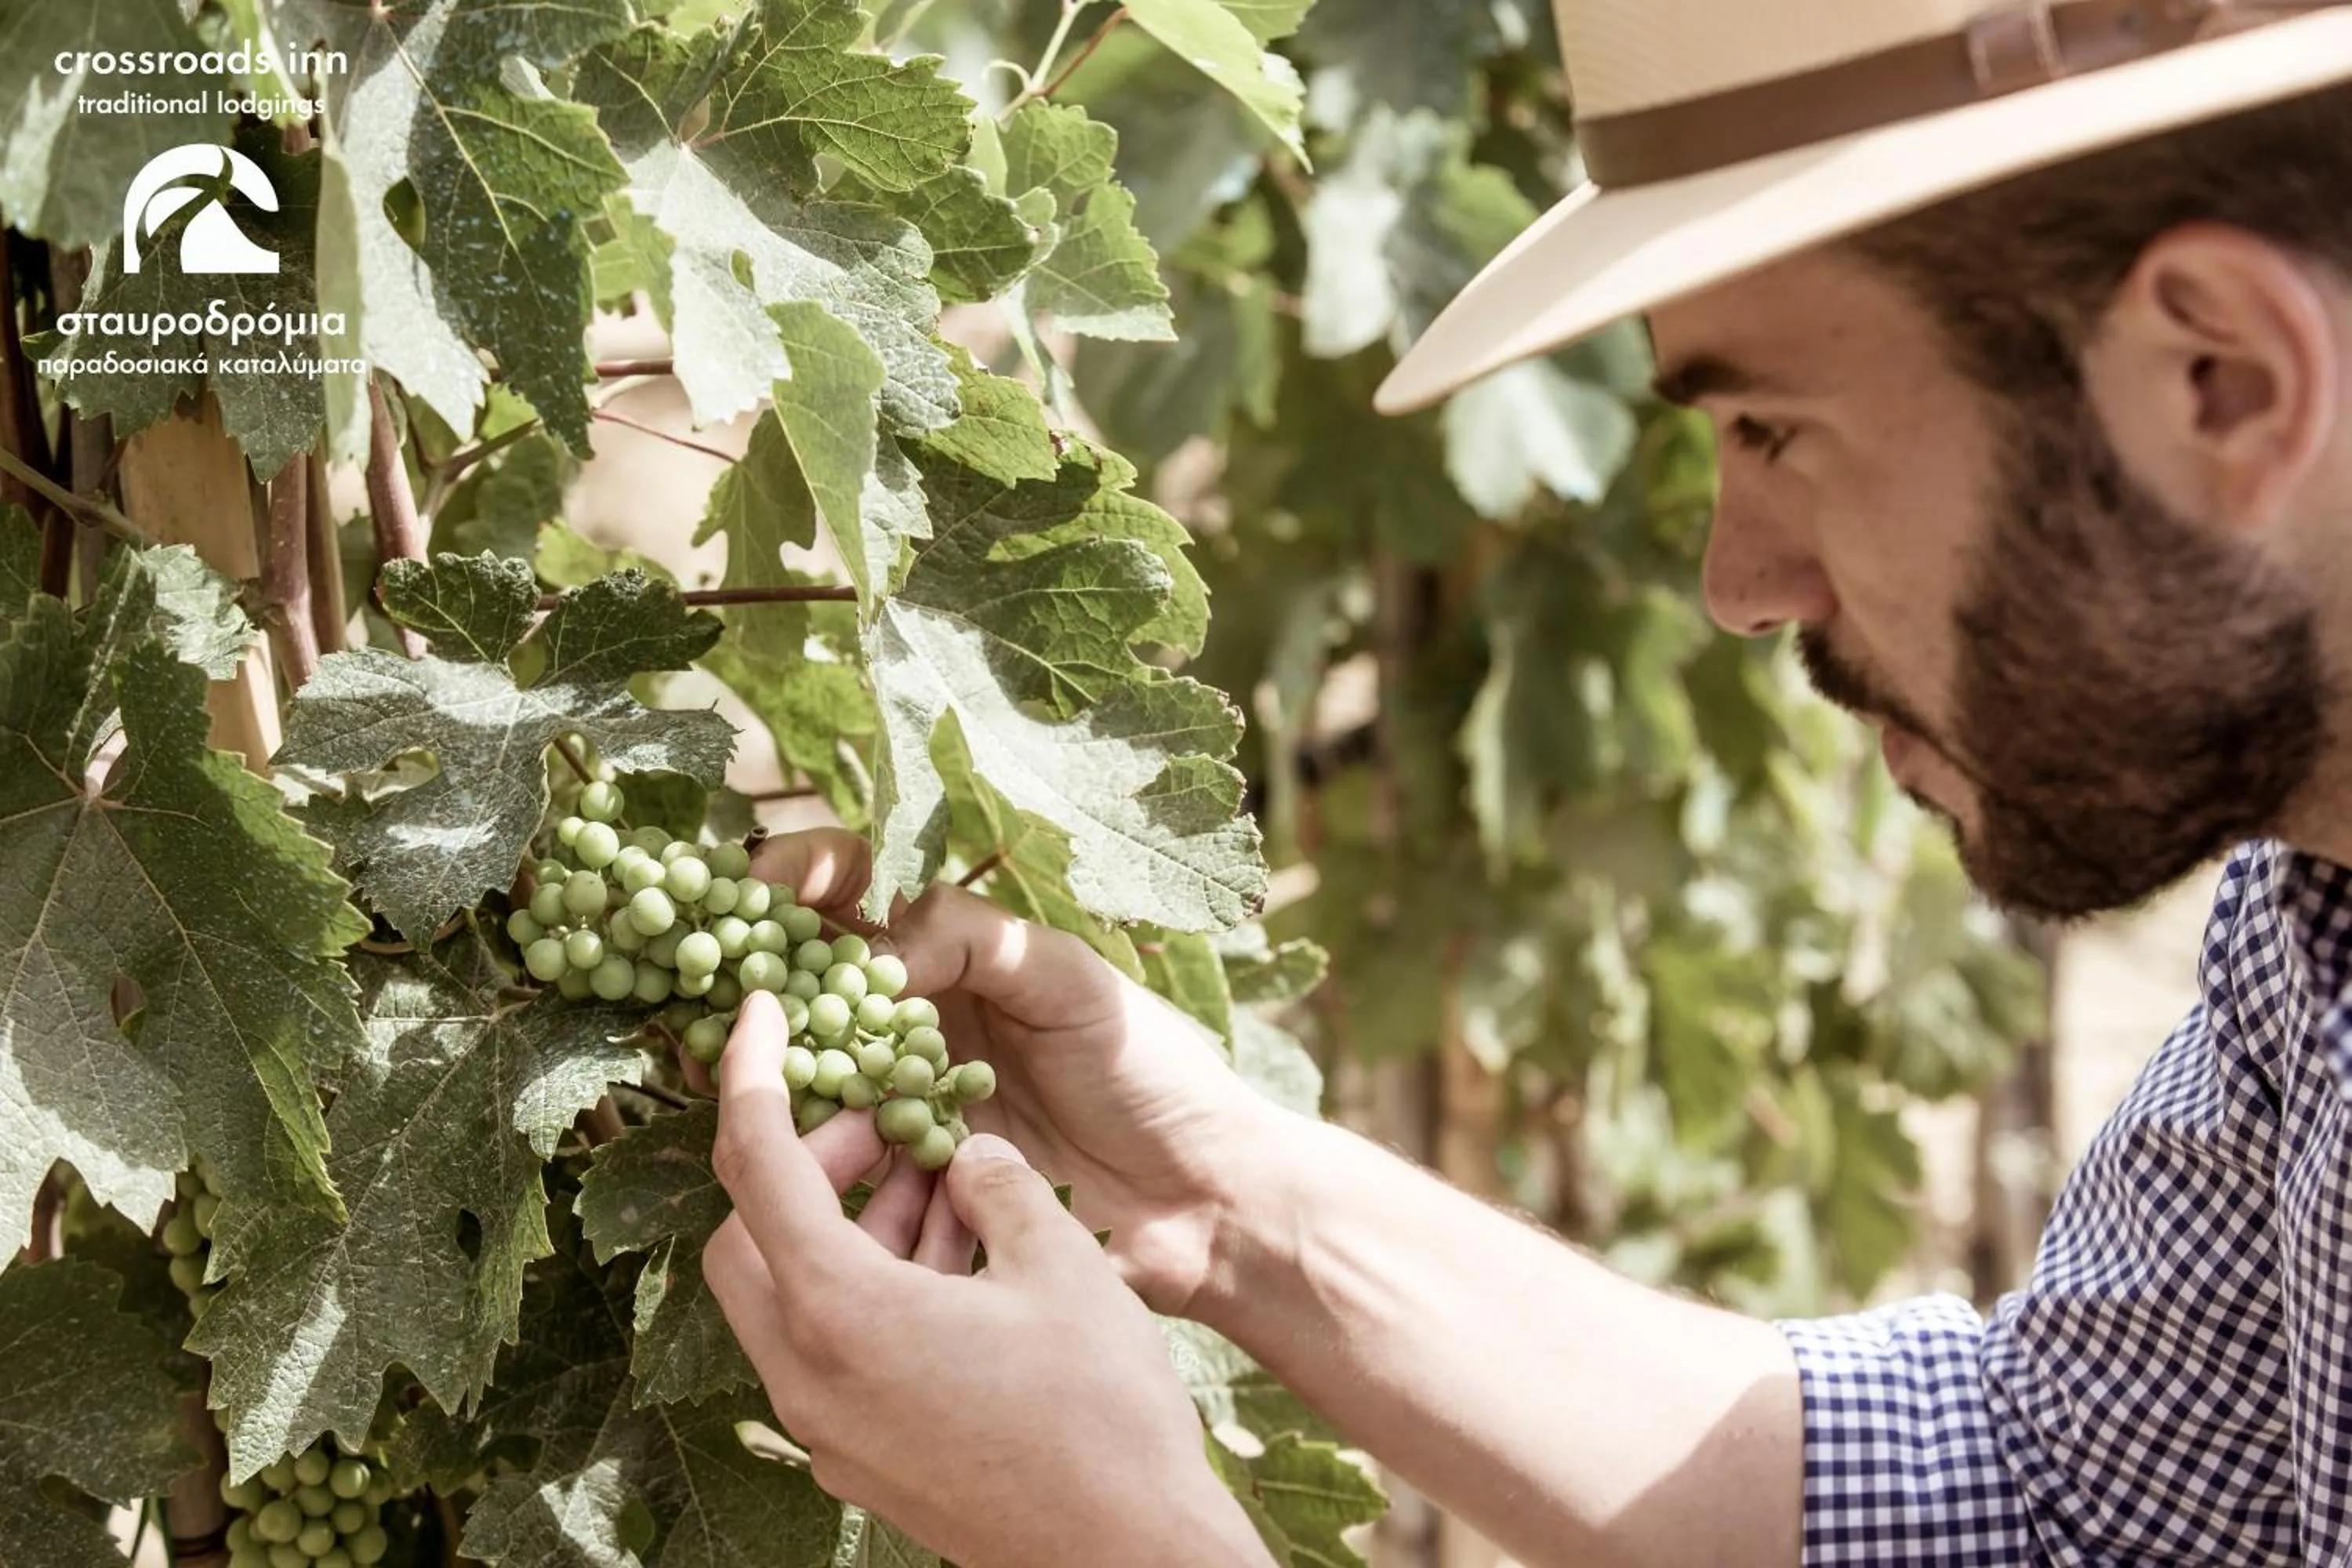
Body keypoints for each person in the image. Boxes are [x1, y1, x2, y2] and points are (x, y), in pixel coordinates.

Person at [695, 4, 2352, 1565]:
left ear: (2224, 381)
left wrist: (1126, 1532)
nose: (1737, 580)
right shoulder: (2314, 910)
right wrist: (1235, 1203)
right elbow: (2045, 1499)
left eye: (1773, 427)